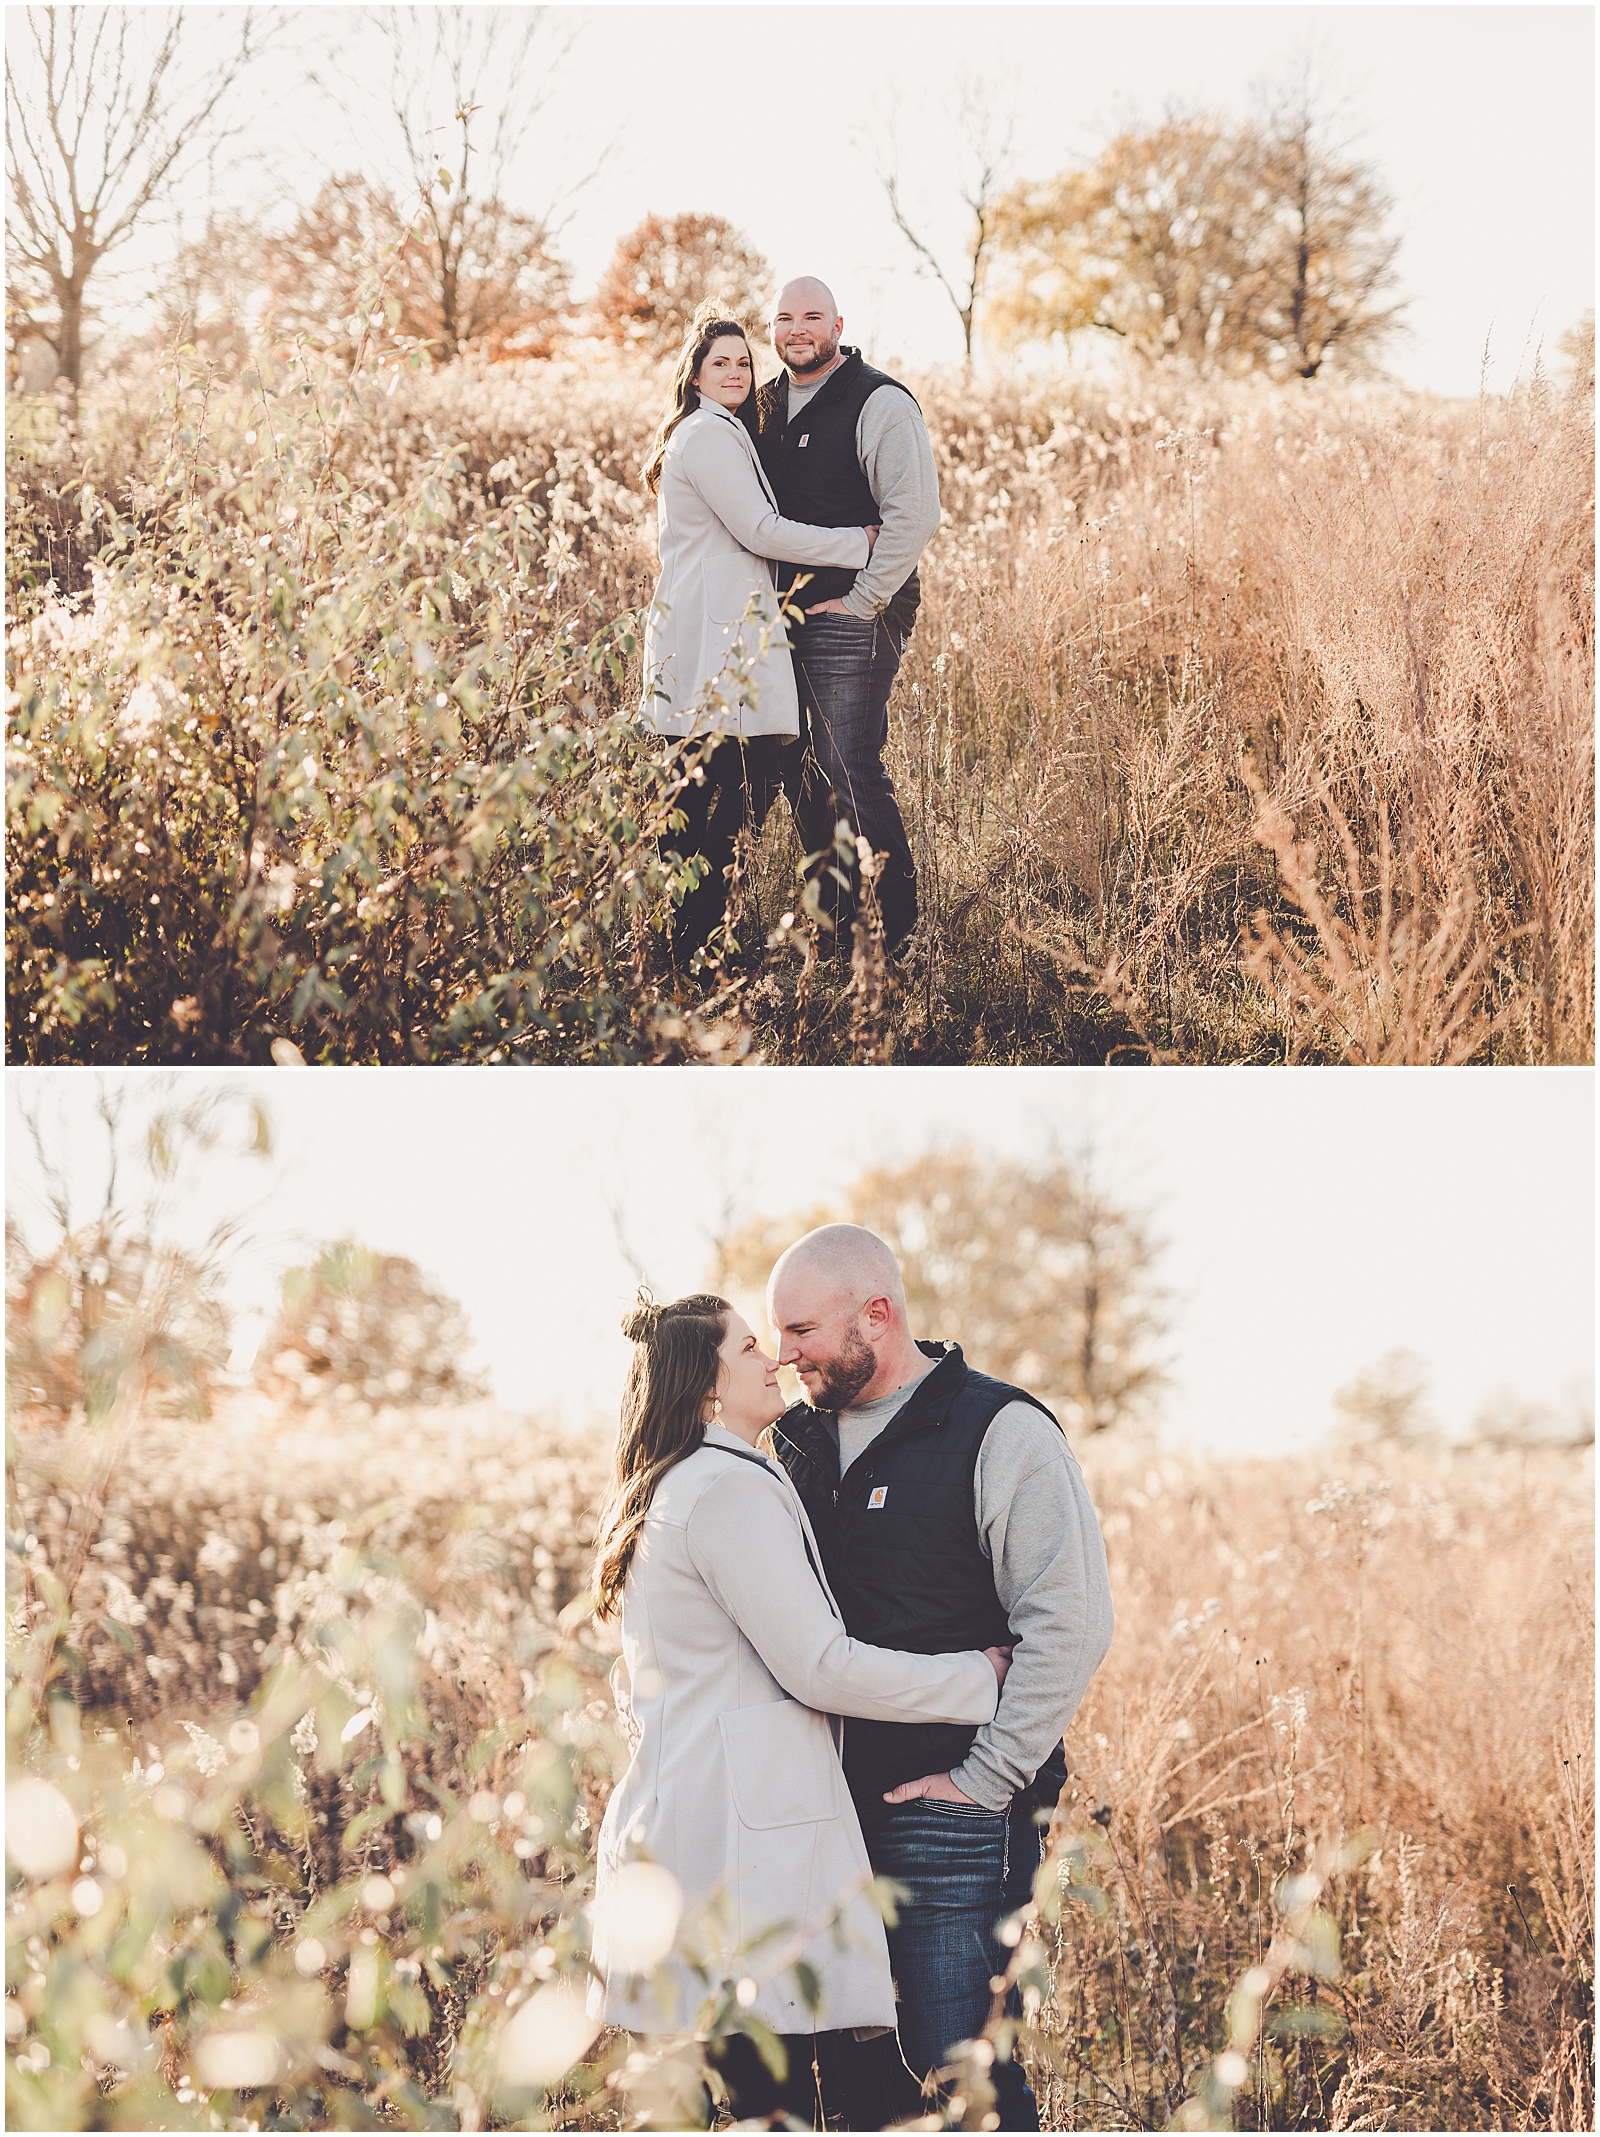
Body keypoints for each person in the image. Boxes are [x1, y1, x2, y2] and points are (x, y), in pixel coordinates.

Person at [588, 1290, 1014, 2130]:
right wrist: (979, 1677)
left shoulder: (687, 1482)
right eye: (749, 1348)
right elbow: (820, 1665)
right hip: (743, 1856)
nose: (775, 1357)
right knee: (788, 2100)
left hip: (709, 1834)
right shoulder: (722, 1491)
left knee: (765, 2094)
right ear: (708, 1388)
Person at [765, 1225, 1116, 2131]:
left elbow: (1070, 1621)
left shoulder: (998, 1428)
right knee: (851, 2078)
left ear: (876, 1315)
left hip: (953, 1815)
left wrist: (984, 1779)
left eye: (801, 1329)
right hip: (822, 1813)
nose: (783, 1354)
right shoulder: (793, 1444)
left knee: (956, 2076)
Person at [640, 310, 881, 973]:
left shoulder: (718, 432)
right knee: (730, 790)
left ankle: (688, 946)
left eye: (744, 362)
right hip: (714, 637)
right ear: (693, 374)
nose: (736, 372)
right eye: (720, 361)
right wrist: (854, 543)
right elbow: (760, 529)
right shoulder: (709, 436)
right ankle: (692, 948)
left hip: (710, 634)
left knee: (706, 795)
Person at [754, 277, 943, 958]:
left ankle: (900, 938)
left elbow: (915, 514)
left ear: (838, 323)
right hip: (783, 616)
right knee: (798, 763)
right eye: (783, 318)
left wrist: (863, 600)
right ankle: (833, 930)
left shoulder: (878, 400)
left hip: (855, 612)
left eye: (811, 317)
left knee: (846, 761)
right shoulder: (763, 404)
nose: (797, 329)